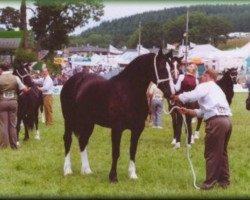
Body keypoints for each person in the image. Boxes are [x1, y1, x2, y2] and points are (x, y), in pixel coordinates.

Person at [173, 68, 232, 190]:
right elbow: (204, 111)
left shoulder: (206, 86)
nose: (200, 78)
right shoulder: (217, 89)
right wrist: (189, 111)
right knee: (222, 152)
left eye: (202, 76)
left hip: (216, 122)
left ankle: (209, 183)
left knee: (211, 153)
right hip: (226, 121)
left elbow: (192, 95)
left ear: (207, 76)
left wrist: (178, 97)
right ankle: (224, 181)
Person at [0, 63, 29, 149]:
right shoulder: (16, 78)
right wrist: (18, 94)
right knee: (12, 125)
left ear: (1, 69)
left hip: (2, 103)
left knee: (3, 125)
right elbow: (25, 90)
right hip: (13, 102)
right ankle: (14, 145)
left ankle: (4, 145)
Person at [172, 63, 199, 149]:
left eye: (191, 66)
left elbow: (176, 88)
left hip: (182, 101)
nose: (189, 66)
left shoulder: (181, 77)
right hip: (191, 103)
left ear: (193, 70)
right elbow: (196, 93)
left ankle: (178, 143)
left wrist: (171, 82)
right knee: (188, 123)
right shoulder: (196, 80)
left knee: (179, 122)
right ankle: (188, 143)